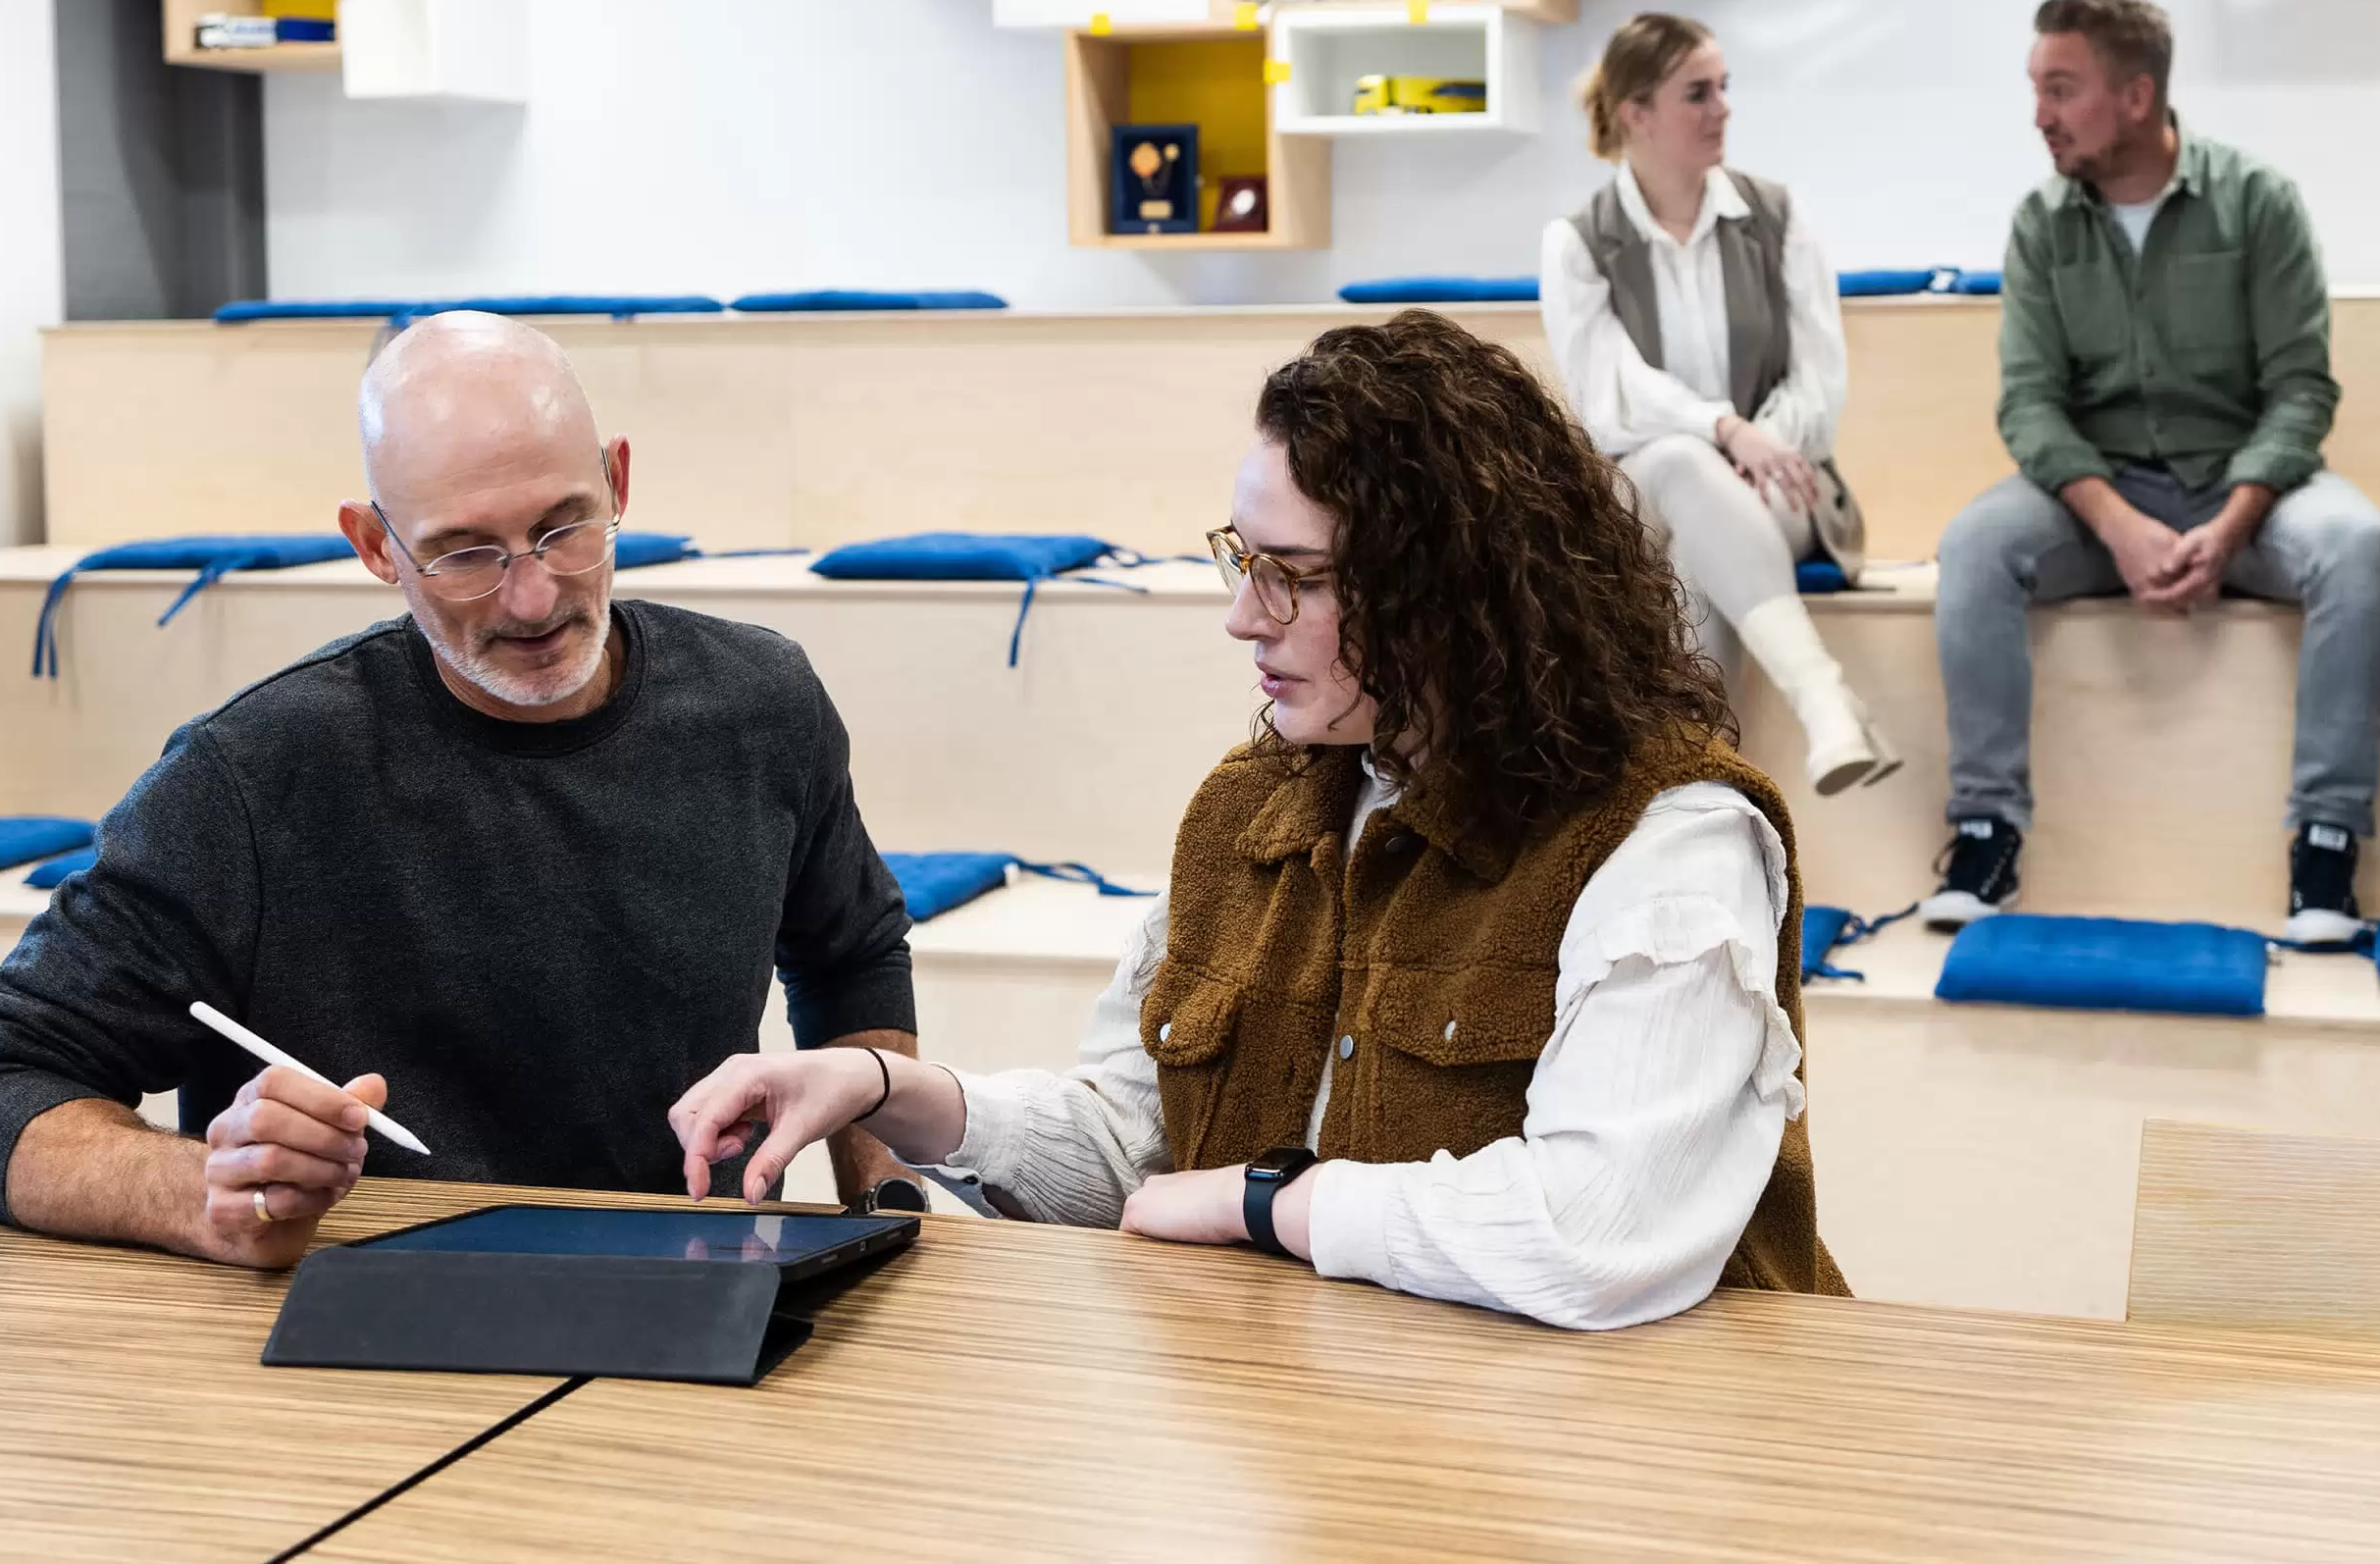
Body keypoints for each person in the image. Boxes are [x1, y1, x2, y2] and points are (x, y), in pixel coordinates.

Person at [670, 312, 1851, 1331]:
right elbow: (1137, 1152)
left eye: (1293, 572)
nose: (1243, 616)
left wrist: (1271, 1202)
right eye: (1244, 559)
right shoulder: (1251, 808)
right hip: (1353, 1437)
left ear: (1450, 592)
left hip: (1666, 1463)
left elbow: (1595, 1232)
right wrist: (890, 1091)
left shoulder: (1673, 834)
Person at [0, 312, 920, 1267]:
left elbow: (853, 956)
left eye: (563, 528)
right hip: (367, 1324)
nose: (531, 598)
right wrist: (200, 1194)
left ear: (617, 483)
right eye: (462, 553)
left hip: (702, 1285)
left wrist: (886, 1207)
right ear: (376, 545)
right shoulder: (253, 777)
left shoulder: (759, 700)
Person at [1924, 0, 2380, 940]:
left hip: (2248, 490)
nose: (2040, 116)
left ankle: (2327, 847)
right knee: (1974, 546)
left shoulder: (2258, 202)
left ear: (2136, 96)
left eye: (2061, 89)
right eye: (2036, 89)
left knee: (2358, 547)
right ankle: (1984, 836)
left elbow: (2301, 390)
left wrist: (2228, 526)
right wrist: (2120, 526)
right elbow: (2031, 403)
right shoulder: (2040, 224)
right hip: (2098, 497)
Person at [1541, 11, 1896, 797]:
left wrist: (1758, 445)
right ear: (1636, 113)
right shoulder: (1576, 242)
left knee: (1698, 556)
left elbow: (1818, 377)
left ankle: (1698, 794)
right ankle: (1823, 701)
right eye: (1698, 93)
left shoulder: (1778, 217)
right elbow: (1611, 400)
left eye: (1724, 88)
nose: (1723, 107)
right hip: (1645, 500)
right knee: (1675, 462)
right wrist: (1726, 433)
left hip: (1785, 486)